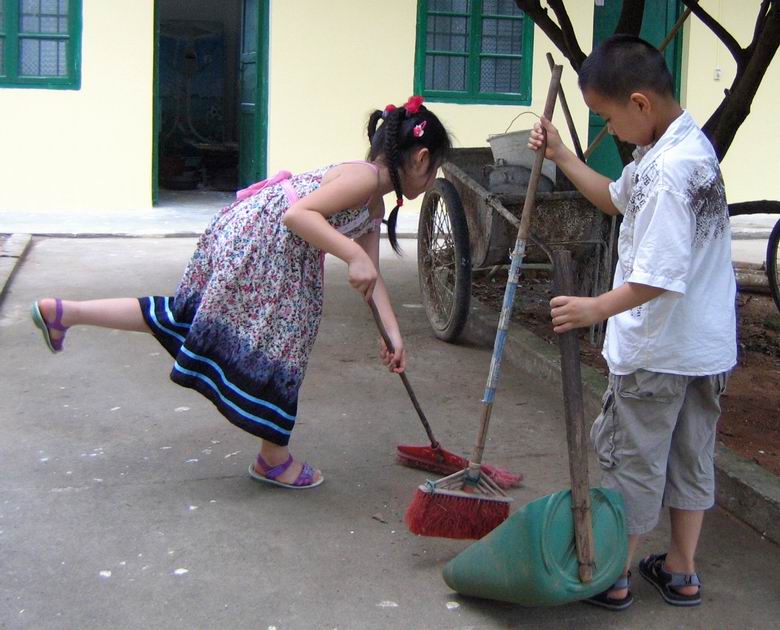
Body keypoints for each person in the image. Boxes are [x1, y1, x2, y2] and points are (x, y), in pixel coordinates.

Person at [31, 95, 452, 490]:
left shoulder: (373, 202)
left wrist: (392, 333)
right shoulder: (364, 178)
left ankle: (64, 313)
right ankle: (274, 459)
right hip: (265, 243)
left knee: (186, 318)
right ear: (421, 157)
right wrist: (350, 255)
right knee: (286, 345)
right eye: (434, 171)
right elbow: (298, 215)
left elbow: (371, 275)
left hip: (253, 237)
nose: (431, 179)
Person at [529, 35, 736, 610]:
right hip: (704, 352)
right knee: (690, 458)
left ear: (640, 103)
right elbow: (616, 200)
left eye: (608, 117)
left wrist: (595, 307)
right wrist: (565, 158)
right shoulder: (682, 150)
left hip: (656, 355)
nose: (610, 130)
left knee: (635, 463)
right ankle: (681, 569)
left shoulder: (669, 172)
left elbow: (660, 276)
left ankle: (614, 574)